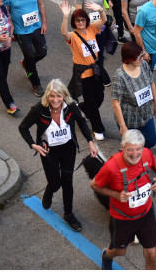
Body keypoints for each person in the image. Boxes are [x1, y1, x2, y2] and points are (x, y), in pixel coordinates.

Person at [19, 78, 98, 231]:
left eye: (59, 96)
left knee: (67, 182)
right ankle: (49, 191)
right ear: (47, 96)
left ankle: (68, 214)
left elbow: (81, 122)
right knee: (55, 183)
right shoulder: (38, 109)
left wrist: (90, 141)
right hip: (48, 151)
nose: (55, 100)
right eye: (52, 96)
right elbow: (23, 127)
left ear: (64, 96)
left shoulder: (70, 107)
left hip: (68, 149)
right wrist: (32, 144)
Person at [90, 129, 156, 270]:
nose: (135, 154)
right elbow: (94, 185)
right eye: (130, 150)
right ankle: (106, 256)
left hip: (146, 214)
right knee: (120, 251)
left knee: (152, 255)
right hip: (122, 219)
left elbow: (154, 161)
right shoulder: (111, 167)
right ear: (123, 147)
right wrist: (116, 195)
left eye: (138, 149)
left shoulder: (146, 153)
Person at [59, 0, 108, 140]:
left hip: (96, 71)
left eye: (82, 19)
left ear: (86, 20)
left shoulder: (92, 29)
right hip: (83, 74)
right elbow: (64, 33)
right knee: (92, 101)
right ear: (74, 22)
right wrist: (65, 16)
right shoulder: (73, 36)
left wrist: (100, 10)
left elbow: (103, 20)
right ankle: (98, 129)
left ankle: (83, 108)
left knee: (99, 97)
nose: (80, 22)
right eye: (77, 20)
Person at [3, 0, 47, 96]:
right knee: (30, 57)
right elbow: (6, 13)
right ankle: (36, 84)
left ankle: (26, 64)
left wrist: (44, 22)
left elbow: (41, 4)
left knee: (42, 52)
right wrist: (11, 31)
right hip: (21, 31)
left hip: (36, 26)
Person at [112, 42, 156, 148]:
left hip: (146, 114)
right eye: (139, 57)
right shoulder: (120, 76)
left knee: (151, 141)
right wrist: (122, 126)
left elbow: (151, 83)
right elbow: (116, 103)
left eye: (142, 55)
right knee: (133, 147)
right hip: (130, 120)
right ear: (129, 59)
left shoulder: (143, 65)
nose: (142, 59)